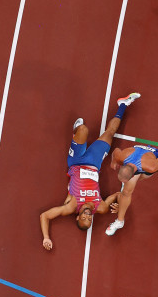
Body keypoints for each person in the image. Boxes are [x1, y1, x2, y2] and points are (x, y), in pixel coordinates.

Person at [39, 93, 140, 250]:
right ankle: (123, 104)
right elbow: (118, 195)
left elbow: (44, 215)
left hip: (76, 161)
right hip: (95, 162)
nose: (87, 216)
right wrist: (120, 206)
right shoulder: (100, 207)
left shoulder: (71, 206)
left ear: (78, 217)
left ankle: (75, 132)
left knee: (83, 129)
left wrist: (46, 237)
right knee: (110, 133)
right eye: (89, 219)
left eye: (83, 218)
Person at [105, 141, 158, 235]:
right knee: (126, 192)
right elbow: (116, 150)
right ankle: (120, 222)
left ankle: (130, 183)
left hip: (148, 162)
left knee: (143, 177)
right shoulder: (120, 157)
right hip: (133, 157)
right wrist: (113, 161)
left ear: (132, 175)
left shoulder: (151, 166)